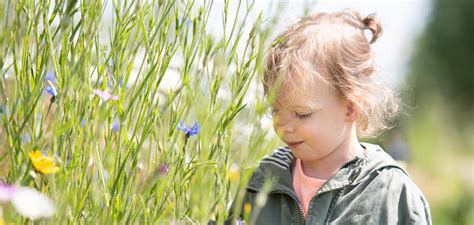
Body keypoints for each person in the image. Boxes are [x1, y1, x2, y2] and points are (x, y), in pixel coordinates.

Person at [225, 10, 432, 225]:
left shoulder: (390, 192)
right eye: (275, 110)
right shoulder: (261, 181)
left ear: (351, 107)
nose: (282, 125)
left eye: (302, 114)